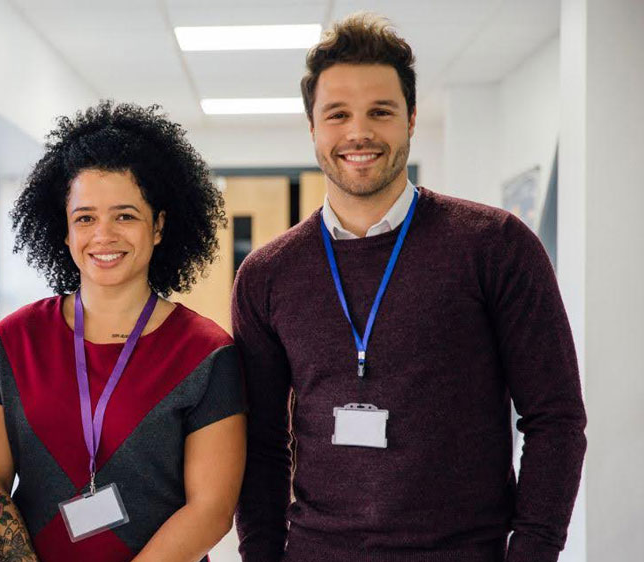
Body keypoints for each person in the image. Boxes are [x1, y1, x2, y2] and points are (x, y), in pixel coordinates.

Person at [233, 13, 586, 562]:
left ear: (412, 118)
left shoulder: (496, 246)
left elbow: (555, 418)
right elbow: (261, 445)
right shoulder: (267, 275)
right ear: (312, 127)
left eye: (381, 111)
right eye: (337, 114)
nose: (359, 132)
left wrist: (533, 552)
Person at [0, 101, 246, 562]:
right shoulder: (14, 341)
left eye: (125, 216)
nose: (104, 235)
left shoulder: (207, 353)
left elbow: (211, 509)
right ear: (66, 231)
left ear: (158, 226)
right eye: (85, 218)